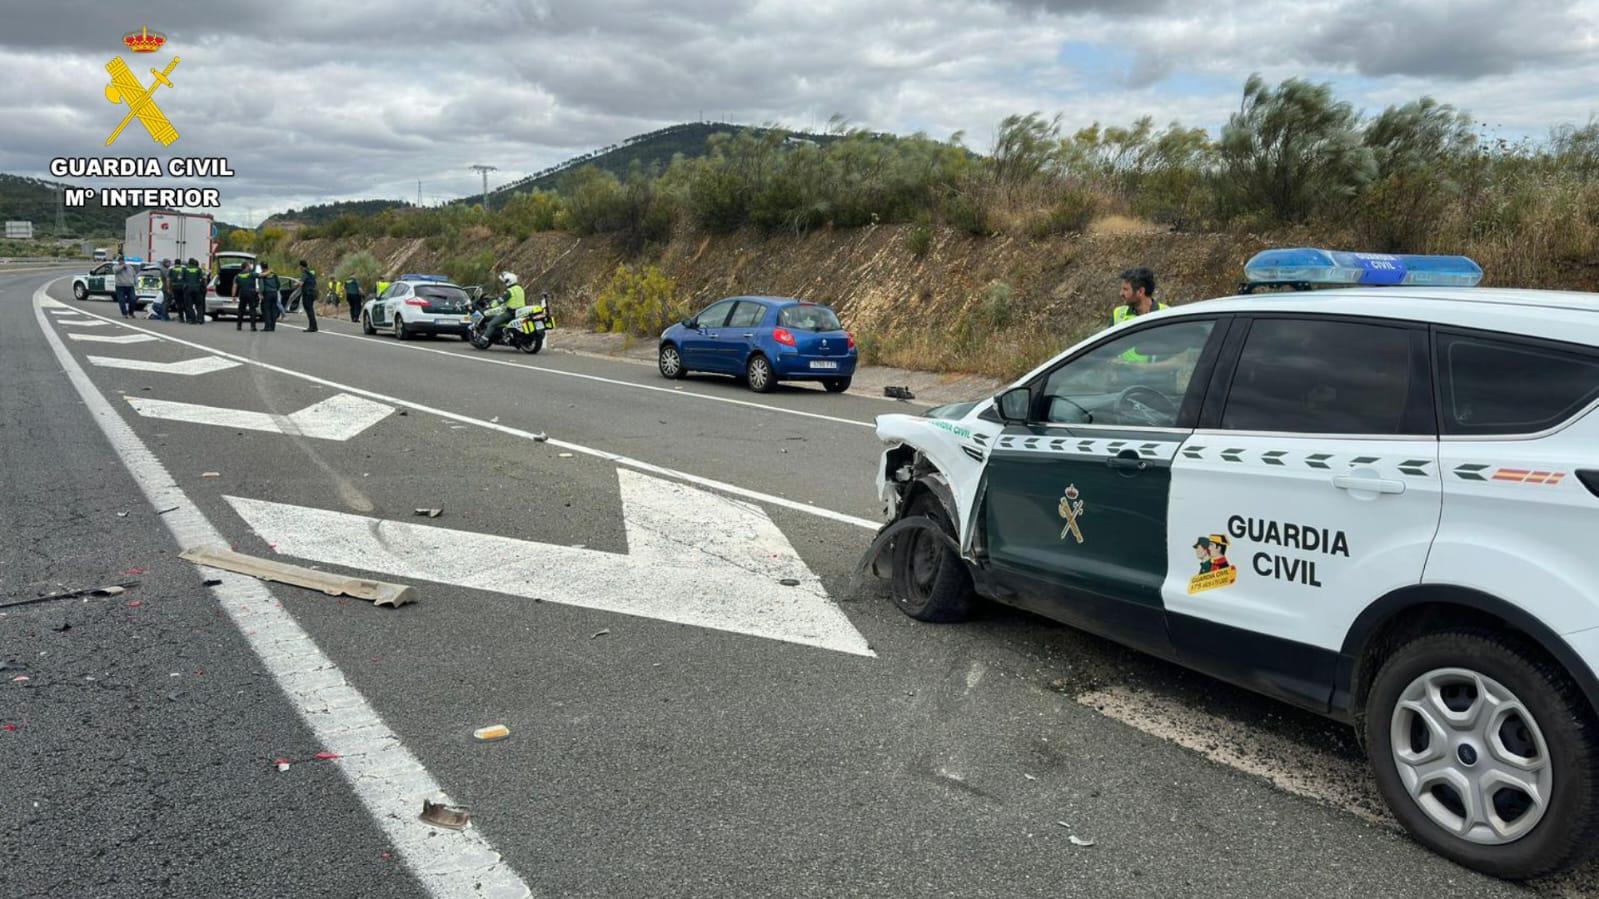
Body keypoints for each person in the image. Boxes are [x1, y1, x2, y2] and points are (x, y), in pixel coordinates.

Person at [481, 271, 524, 344]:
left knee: (492, 323)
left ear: (508, 281)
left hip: (510, 313)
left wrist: (490, 305)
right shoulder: (520, 289)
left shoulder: (510, 291)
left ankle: (484, 340)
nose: (504, 283)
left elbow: (500, 301)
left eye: (505, 281)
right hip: (520, 312)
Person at [235, 261, 260, 331]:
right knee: (252, 311)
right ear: (246, 267)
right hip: (251, 294)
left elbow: (234, 286)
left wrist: (233, 296)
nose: (250, 267)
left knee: (241, 311)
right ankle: (253, 327)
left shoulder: (238, 276)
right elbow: (261, 275)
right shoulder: (252, 274)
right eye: (249, 265)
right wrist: (269, 272)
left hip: (242, 294)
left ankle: (239, 326)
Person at [259, 262, 281, 332]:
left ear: (261, 267)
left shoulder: (262, 275)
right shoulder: (274, 274)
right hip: (274, 293)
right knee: (273, 310)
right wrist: (275, 289)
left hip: (267, 293)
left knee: (266, 310)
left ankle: (267, 327)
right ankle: (272, 327)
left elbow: (261, 285)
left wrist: (261, 293)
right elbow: (278, 283)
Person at [298, 260, 319, 332]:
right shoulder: (311, 273)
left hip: (307, 294)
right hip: (312, 293)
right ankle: (314, 326)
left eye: (299, 266)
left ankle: (312, 327)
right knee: (311, 310)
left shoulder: (304, 273)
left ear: (301, 266)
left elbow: (301, 283)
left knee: (309, 311)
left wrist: (296, 284)